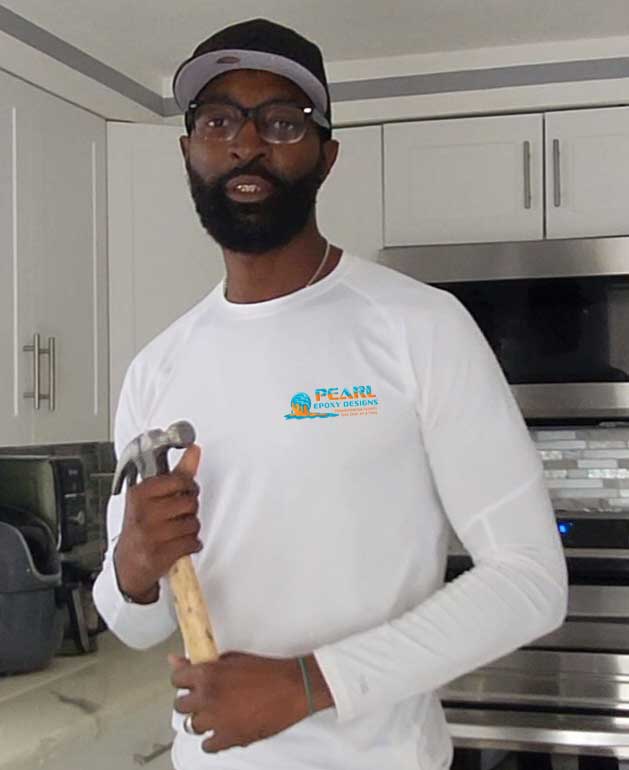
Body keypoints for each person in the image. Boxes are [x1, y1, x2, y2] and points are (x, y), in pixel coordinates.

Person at [93, 17, 568, 770]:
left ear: (326, 154)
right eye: (218, 121)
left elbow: (530, 580)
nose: (246, 144)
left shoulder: (419, 326)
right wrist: (133, 565)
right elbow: (131, 625)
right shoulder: (156, 369)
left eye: (281, 121)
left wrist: (308, 685)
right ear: (189, 151)